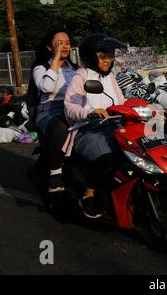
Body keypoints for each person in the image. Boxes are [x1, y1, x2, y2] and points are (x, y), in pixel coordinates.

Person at [64, 33, 126, 219]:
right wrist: (89, 112)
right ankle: (88, 194)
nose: (108, 61)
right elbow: (70, 107)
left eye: (110, 57)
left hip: (112, 125)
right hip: (87, 129)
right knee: (105, 156)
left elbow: (121, 101)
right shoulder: (81, 76)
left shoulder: (110, 77)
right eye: (103, 57)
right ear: (91, 57)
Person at [32, 30, 77, 193]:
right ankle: (55, 175)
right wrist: (56, 60)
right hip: (50, 110)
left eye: (67, 43)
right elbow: (47, 87)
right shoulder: (41, 68)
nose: (64, 46)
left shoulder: (76, 69)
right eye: (59, 43)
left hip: (74, 108)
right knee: (61, 126)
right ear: (49, 47)